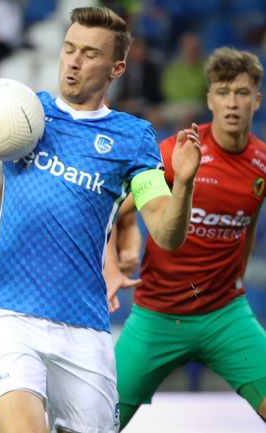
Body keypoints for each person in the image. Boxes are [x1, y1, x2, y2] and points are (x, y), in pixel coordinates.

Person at [0, 7, 202, 433]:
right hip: (10, 315)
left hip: (84, 327)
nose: (73, 61)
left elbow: (165, 231)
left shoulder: (134, 137)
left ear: (116, 67)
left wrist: (185, 185)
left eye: (88, 53)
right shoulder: (22, 110)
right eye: (69, 48)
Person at [111, 47, 266, 429]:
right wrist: (114, 263)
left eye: (242, 93)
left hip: (225, 315)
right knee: (94, 423)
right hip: (156, 317)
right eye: (223, 92)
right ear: (209, 99)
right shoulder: (180, 152)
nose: (232, 102)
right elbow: (118, 213)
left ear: (257, 100)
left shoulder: (262, 163)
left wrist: (237, 281)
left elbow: (247, 225)